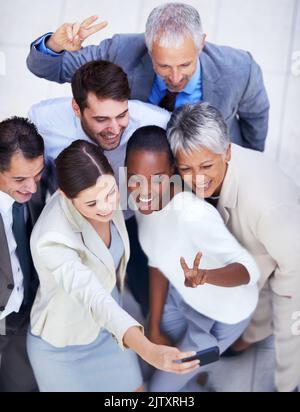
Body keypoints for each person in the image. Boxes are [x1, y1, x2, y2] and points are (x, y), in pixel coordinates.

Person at [26, 140, 199, 392]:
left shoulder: (105, 187)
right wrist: (148, 350)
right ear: (65, 195)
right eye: (92, 204)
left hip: (109, 331)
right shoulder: (51, 239)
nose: (107, 207)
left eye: (110, 194)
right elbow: (92, 295)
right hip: (62, 347)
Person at [166, 102, 300, 392]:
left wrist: (287, 382)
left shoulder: (268, 206)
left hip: (287, 256)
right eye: (186, 168)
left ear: (226, 152)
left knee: (283, 309)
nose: (196, 178)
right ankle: (250, 332)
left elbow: (292, 282)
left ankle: (266, 353)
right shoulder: (201, 164)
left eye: (205, 167)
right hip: (249, 245)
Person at [29, 60, 170, 316]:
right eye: (101, 119)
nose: (114, 129)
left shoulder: (156, 122)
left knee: (143, 286)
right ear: (76, 107)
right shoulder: (44, 121)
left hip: (128, 216)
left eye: (122, 115)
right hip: (74, 218)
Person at [26, 3, 269, 152]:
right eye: (163, 65)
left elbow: (255, 118)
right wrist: (55, 46)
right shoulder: (121, 50)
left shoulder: (240, 69)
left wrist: (246, 164)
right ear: (148, 46)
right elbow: (48, 68)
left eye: (185, 64)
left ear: (201, 45)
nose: (175, 77)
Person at [124, 125, 260, 392]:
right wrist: (153, 326)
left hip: (225, 317)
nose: (144, 189)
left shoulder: (192, 215)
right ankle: (192, 376)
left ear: (173, 172)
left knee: (160, 389)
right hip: (183, 298)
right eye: (136, 177)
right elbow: (156, 261)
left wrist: (206, 276)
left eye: (157, 178)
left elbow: (248, 271)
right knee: (150, 353)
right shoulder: (145, 206)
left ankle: (196, 378)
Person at [0, 117, 47, 392]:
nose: (32, 187)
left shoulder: (36, 189)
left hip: (23, 315)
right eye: (19, 179)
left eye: (37, 174)